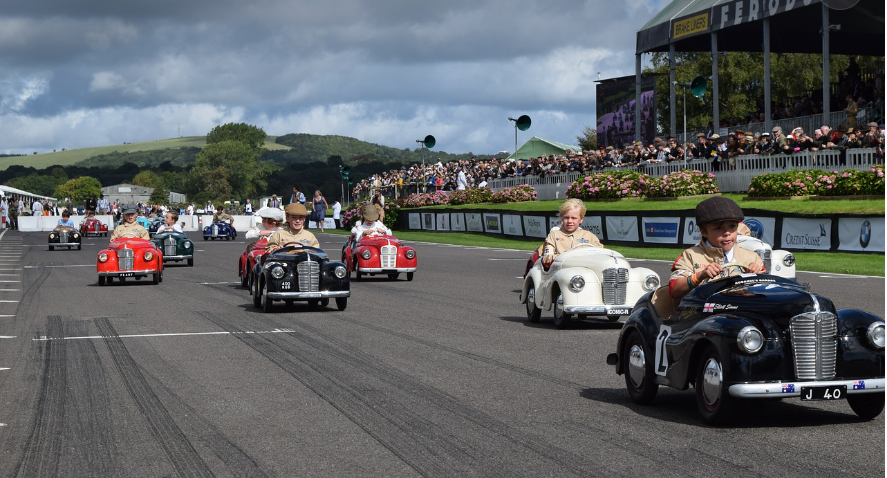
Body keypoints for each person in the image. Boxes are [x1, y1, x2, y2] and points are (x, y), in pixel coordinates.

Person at [668, 197, 764, 301]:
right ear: (704, 231)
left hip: (742, 312)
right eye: (718, 228)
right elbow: (674, 290)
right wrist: (700, 276)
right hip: (703, 312)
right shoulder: (690, 255)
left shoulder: (752, 257)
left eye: (732, 226)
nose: (727, 233)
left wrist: (756, 275)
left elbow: (766, 291)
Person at [541, 198, 603, 270]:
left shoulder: (590, 236)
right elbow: (547, 258)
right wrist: (566, 257)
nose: (570, 221)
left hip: (585, 273)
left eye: (574, 218)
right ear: (561, 218)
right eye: (566, 217)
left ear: (581, 219)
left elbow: (601, 256)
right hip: (560, 273)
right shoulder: (554, 235)